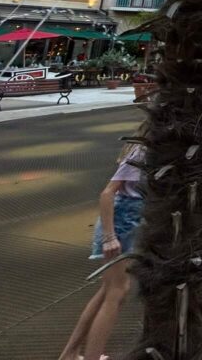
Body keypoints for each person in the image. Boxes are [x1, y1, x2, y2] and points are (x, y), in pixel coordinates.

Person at [58, 129, 146, 360]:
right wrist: (109, 236)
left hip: (130, 221)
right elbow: (107, 193)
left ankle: (70, 353)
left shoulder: (151, 150)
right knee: (118, 290)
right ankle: (91, 356)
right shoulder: (142, 152)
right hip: (121, 223)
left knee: (108, 290)